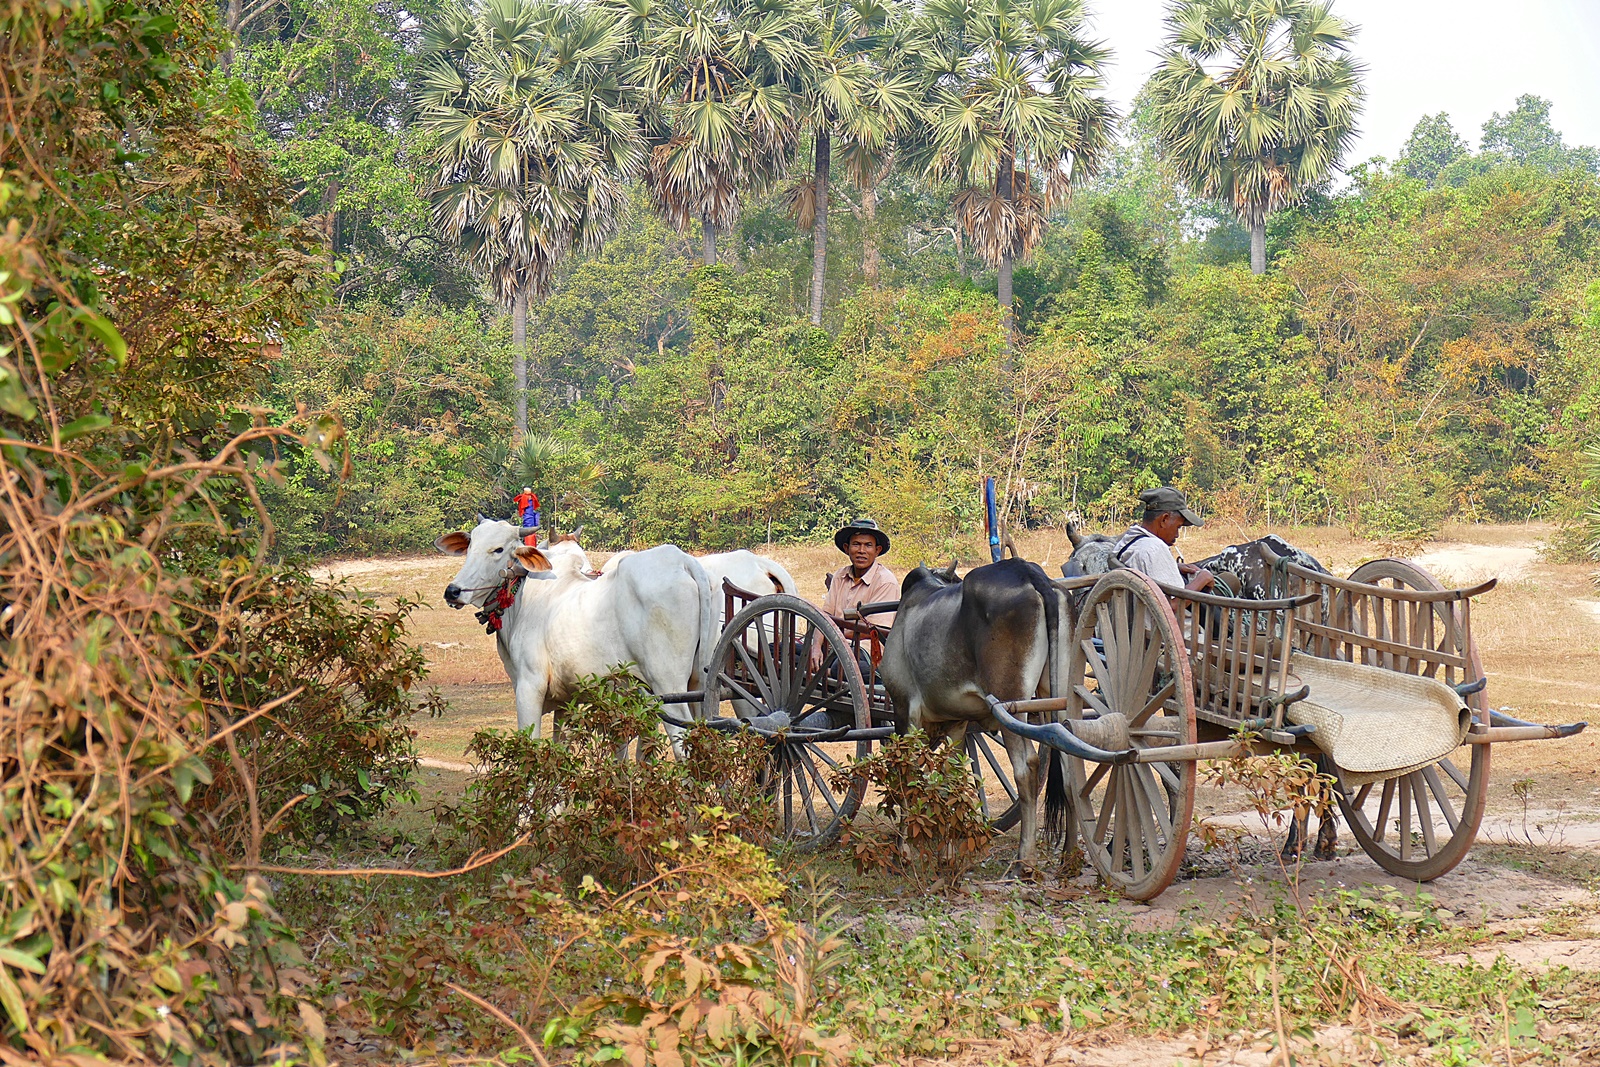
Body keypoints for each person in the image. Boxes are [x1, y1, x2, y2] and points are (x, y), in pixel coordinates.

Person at [1111, 487, 1215, 593]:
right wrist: (1203, 578)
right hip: (1164, 609)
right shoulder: (1155, 548)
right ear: (1164, 519)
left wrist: (1174, 567)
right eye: (1178, 527)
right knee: (1229, 579)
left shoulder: (1129, 540)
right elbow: (1173, 605)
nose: (1177, 534)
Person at [822, 517, 898, 628]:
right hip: (834, 642)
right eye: (856, 544)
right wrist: (817, 645)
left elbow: (877, 629)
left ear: (877, 550)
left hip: (864, 644)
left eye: (868, 545)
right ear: (847, 548)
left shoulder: (885, 582)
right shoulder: (840, 576)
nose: (861, 551)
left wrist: (833, 636)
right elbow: (825, 616)